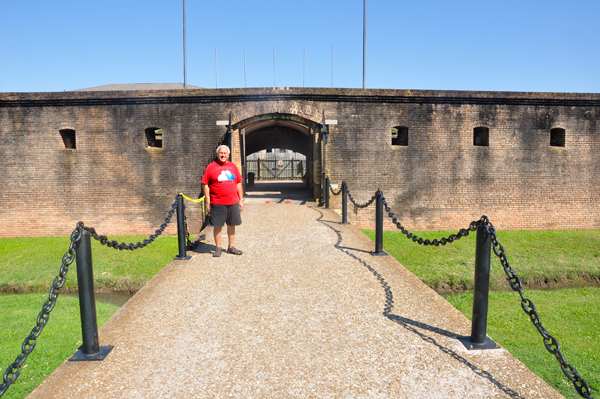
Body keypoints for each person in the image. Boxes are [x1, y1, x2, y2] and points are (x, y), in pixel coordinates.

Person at [201, 145, 244, 257]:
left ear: (228, 155)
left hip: (233, 202)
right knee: (218, 225)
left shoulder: (233, 166)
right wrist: (208, 202)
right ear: (217, 154)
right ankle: (218, 248)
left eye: (225, 153)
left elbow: (238, 183)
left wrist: (241, 199)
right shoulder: (211, 167)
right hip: (217, 202)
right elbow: (205, 185)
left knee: (232, 225)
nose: (223, 155)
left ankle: (231, 247)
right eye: (221, 153)